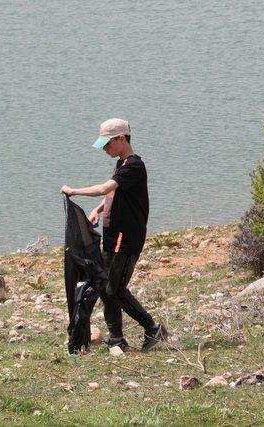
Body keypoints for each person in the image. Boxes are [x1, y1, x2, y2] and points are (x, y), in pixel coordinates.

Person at [61, 118, 167, 352]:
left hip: (126, 238)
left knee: (114, 289)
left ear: (121, 139)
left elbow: (104, 188)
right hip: (112, 236)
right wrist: (98, 209)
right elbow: (113, 192)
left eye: (107, 144)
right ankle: (116, 339)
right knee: (104, 286)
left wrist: (74, 191)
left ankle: (153, 328)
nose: (105, 149)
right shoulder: (121, 164)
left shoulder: (134, 166)